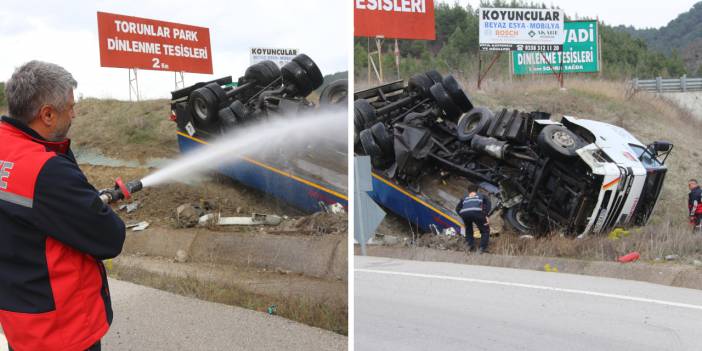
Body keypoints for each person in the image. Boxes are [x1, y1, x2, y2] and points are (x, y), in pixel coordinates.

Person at [0, 61, 125, 351]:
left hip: (20, 319)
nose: (74, 114)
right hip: (63, 329)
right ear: (47, 114)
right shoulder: (46, 171)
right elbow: (110, 238)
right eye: (69, 107)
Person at [456, 184, 492, 253]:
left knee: (469, 230)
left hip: (465, 213)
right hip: (477, 212)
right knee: (485, 231)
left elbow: (457, 209)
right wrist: (486, 215)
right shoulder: (481, 195)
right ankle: (481, 249)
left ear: (468, 191)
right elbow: (488, 203)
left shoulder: (464, 197)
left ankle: (470, 247)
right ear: (477, 190)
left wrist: (463, 215)